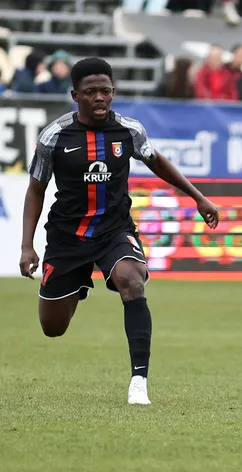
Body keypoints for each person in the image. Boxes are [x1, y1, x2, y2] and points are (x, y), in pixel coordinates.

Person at [18, 58, 219, 406]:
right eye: (91, 92)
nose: (100, 98)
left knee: (132, 279)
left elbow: (156, 161)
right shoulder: (54, 136)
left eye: (106, 91)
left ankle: (139, 382)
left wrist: (197, 197)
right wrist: (27, 246)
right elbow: (36, 189)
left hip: (114, 230)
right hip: (68, 238)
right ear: (75, 95)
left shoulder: (129, 130)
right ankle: (76, 283)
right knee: (53, 328)